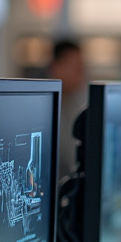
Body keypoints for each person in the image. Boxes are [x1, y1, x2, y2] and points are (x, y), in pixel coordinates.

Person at [48, 39, 86, 183]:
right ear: (56, 67)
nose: (80, 73)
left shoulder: (74, 104)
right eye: (75, 67)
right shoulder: (44, 110)